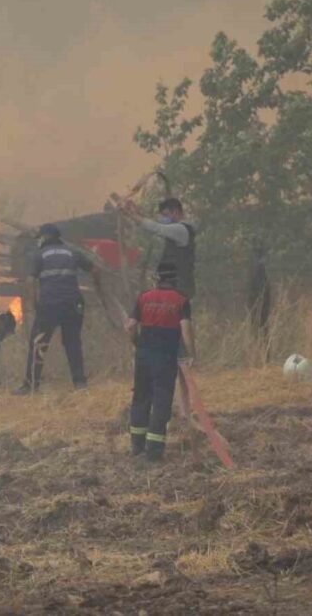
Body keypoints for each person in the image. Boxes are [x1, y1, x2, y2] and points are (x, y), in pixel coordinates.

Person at [14, 223, 104, 395]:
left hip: (49, 304)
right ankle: (79, 383)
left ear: (44, 238)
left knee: (39, 342)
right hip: (73, 303)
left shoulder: (39, 255)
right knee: (73, 342)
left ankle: (30, 384)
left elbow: (30, 281)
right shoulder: (73, 252)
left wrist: (33, 304)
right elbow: (96, 270)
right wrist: (98, 290)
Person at [125, 263, 195, 463]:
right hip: (165, 357)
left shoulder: (143, 298)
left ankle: (137, 446)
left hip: (144, 355)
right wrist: (190, 354)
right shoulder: (181, 300)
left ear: (157, 279)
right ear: (175, 280)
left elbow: (130, 325)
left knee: (140, 398)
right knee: (161, 401)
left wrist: (136, 341)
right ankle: (154, 451)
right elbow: (186, 330)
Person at [121, 197, 196, 301]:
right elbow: (153, 224)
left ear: (175, 212)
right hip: (173, 288)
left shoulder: (180, 229)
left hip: (179, 289)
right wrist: (135, 213)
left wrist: (132, 215)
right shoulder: (174, 231)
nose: (164, 219)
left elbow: (156, 227)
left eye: (166, 215)